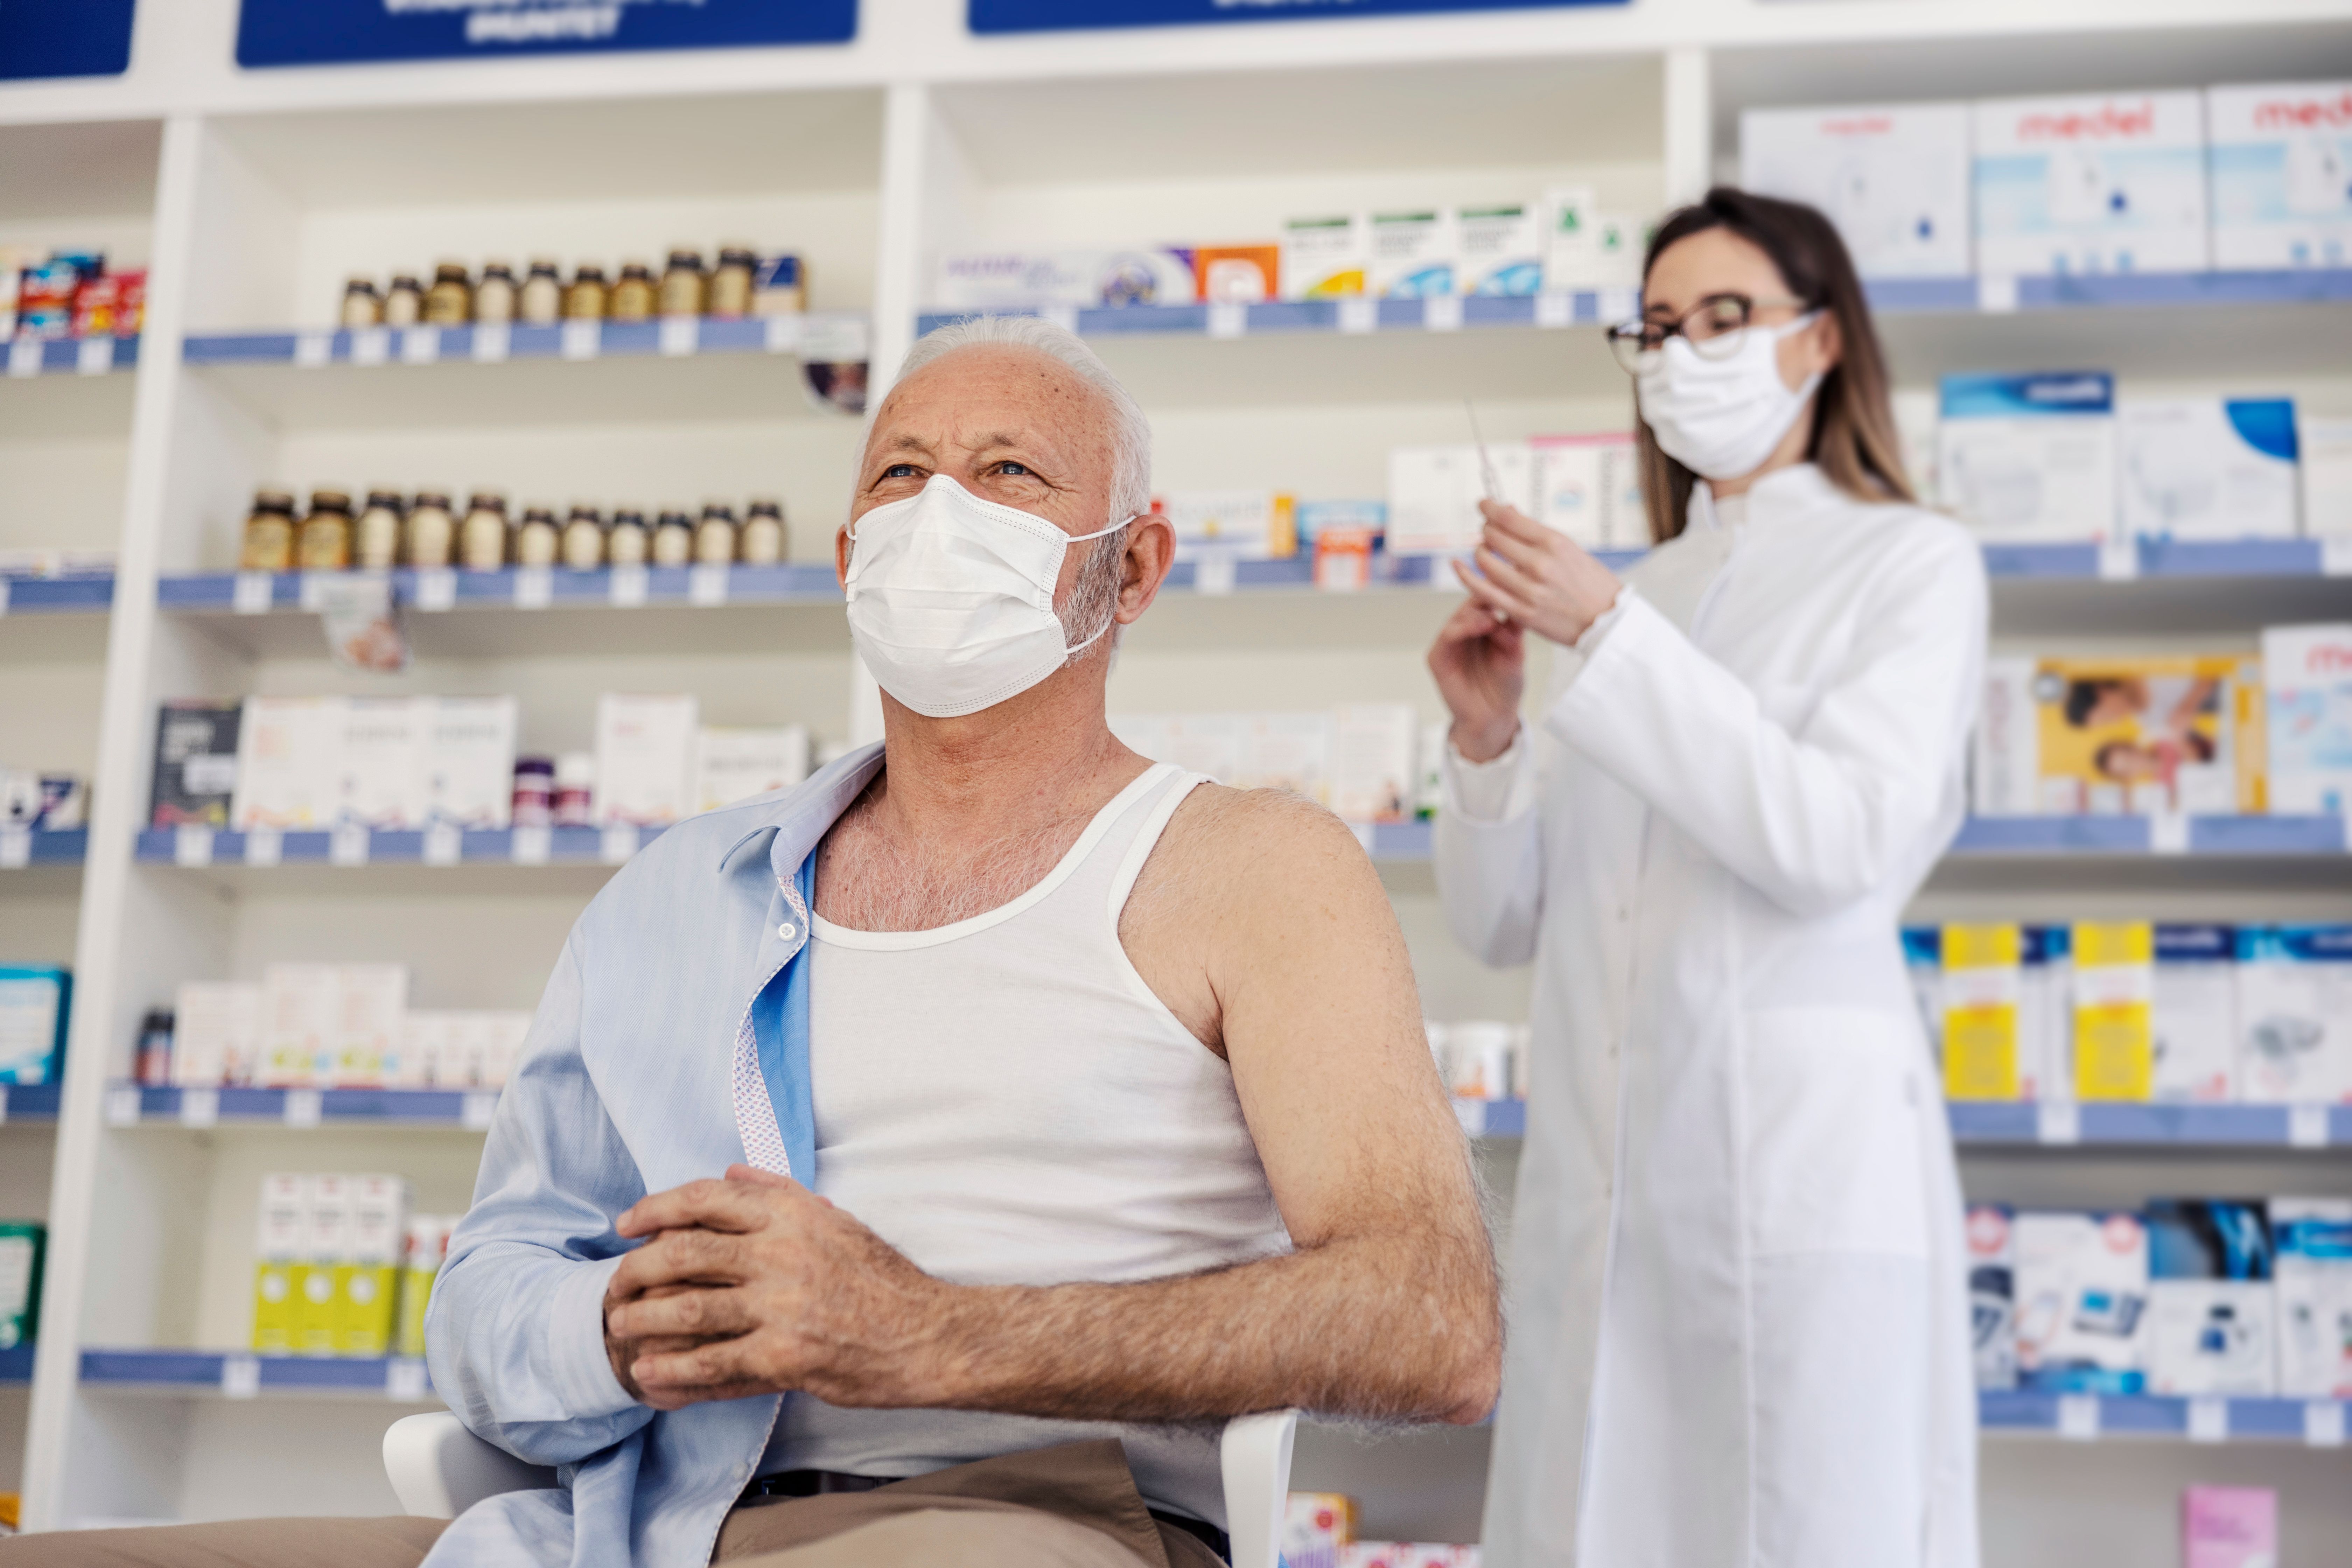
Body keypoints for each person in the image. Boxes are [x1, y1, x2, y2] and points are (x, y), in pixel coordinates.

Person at [18, 316, 1500, 1567]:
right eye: (903, 476)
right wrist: (615, 1327)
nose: (940, 516)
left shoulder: (1253, 867)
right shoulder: (684, 892)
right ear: (852, 554)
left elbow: (1435, 1322)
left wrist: (930, 1335)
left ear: (1139, 562)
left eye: (1008, 475)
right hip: (641, 1510)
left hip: (1026, 1510)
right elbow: (486, 1289)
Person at [1429, 188, 1986, 1568]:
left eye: (1726, 317)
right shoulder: (1642, 593)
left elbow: (1840, 842)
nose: (1686, 353)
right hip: (1605, 1190)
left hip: (1790, 1179)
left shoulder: (1912, 564)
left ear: (1820, 341)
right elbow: (1509, 923)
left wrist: (1608, 633)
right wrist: (1489, 735)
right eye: (1659, 326)